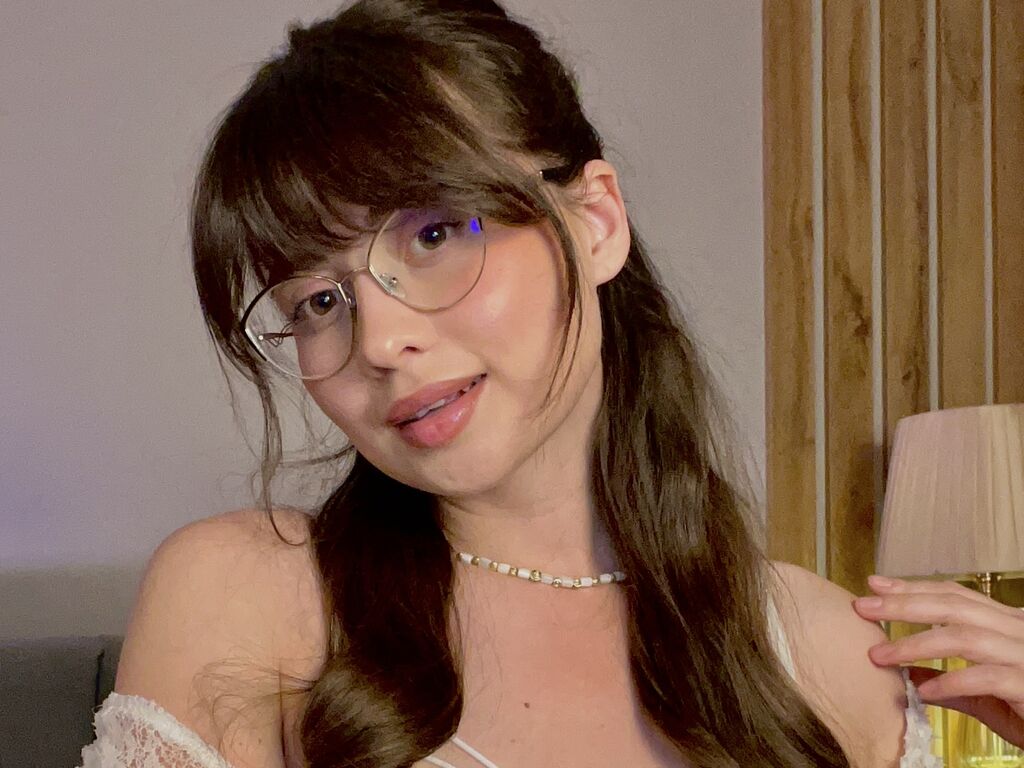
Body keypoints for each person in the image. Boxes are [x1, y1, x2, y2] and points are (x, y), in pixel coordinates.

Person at [79, 1, 1024, 766]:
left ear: (596, 222)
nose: (382, 342)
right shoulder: (251, 602)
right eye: (320, 300)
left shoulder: (833, 657)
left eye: (433, 234)